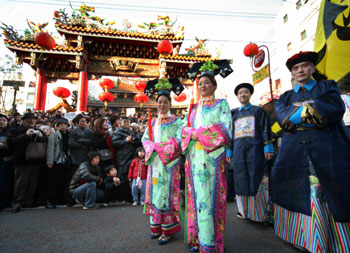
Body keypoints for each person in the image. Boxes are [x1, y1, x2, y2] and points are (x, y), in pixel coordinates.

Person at [271, 51, 350, 252]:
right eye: (296, 68)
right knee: (300, 193)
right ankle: (308, 240)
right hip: (295, 154)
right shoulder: (285, 96)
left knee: (330, 193)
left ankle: (334, 241)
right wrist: (312, 110)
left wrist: (296, 115)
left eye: (304, 66)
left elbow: (332, 109)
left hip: (328, 150)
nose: (300, 70)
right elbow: (282, 118)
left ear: (313, 68)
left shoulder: (328, 87)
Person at [182, 60, 233, 252]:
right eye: (200, 83)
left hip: (213, 158)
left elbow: (226, 128)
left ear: (214, 86)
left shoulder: (221, 104)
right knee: (197, 198)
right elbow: (184, 130)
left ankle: (211, 243)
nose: (203, 86)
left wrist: (198, 134)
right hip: (194, 158)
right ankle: (199, 239)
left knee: (210, 199)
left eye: (207, 83)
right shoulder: (193, 108)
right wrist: (190, 134)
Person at [142, 78, 184, 245]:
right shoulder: (152, 122)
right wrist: (151, 147)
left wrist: (163, 148)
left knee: (166, 196)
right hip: (155, 164)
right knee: (155, 194)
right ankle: (156, 226)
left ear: (170, 103)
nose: (162, 105)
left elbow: (181, 139)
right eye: (159, 102)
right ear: (156, 103)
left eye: (165, 102)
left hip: (169, 165)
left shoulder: (177, 121)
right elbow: (145, 138)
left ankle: (168, 229)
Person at [226, 83, 274, 223]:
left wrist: (268, 147)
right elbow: (231, 134)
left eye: (245, 92)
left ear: (250, 94)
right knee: (240, 180)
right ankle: (244, 211)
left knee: (257, 178)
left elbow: (265, 128)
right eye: (240, 93)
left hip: (256, 151)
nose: (243, 95)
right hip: (239, 153)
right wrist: (229, 150)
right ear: (237, 96)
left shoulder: (258, 111)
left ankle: (260, 214)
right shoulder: (234, 115)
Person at [7, 112, 48, 213]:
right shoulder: (15, 130)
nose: (32, 121)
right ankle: (17, 203)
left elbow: (46, 141)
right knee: (20, 184)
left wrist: (41, 136)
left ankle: (29, 201)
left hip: (36, 160)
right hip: (22, 161)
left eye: (33, 119)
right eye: (29, 119)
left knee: (32, 183)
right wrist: (25, 135)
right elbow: (11, 143)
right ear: (23, 120)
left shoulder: (38, 130)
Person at [68, 114, 93, 204]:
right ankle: (72, 197)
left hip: (86, 157)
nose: (83, 123)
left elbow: (91, 143)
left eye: (85, 121)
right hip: (76, 157)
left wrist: (82, 141)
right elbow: (71, 144)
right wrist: (84, 145)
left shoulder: (90, 132)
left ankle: (84, 197)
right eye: (81, 121)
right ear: (77, 122)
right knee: (75, 178)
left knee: (85, 178)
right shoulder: (73, 132)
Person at [46, 117, 70, 208]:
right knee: (53, 182)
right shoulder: (54, 135)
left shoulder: (69, 134)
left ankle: (61, 199)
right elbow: (50, 149)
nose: (63, 126)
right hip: (56, 160)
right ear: (57, 126)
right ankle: (51, 200)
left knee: (63, 181)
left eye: (65, 124)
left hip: (65, 160)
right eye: (61, 125)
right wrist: (50, 161)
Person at [0, 114, 14, 210]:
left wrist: (4, 145)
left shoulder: (10, 132)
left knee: (4, 182)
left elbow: (13, 144)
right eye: (0, 120)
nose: (1, 122)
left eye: (3, 120)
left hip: (6, 161)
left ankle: (3, 202)